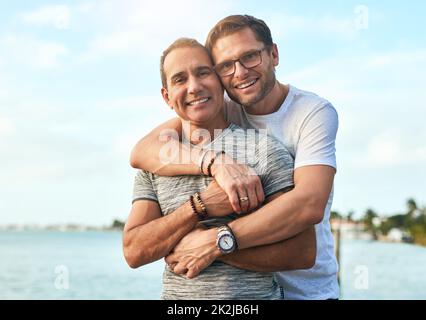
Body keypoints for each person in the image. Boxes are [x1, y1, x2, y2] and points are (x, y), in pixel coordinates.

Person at [130, 15, 339, 300]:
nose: (240, 73)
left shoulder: (311, 113)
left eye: (250, 56)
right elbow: (142, 151)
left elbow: (309, 205)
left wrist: (214, 243)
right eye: (226, 65)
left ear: (273, 54)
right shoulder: (222, 105)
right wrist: (214, 164)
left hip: (307, 291)